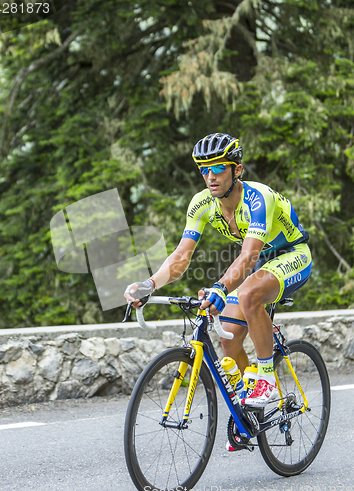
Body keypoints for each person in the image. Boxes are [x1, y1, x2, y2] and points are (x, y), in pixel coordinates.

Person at [124, 133, 311, 409]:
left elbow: (249, 256)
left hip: (292, 254)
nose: (210, 176)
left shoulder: (258, 199)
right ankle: (249, 411)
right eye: (204, 169)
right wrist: (149, 285)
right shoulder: (202, 203)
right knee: (230, 337)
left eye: (218, 168)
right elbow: (180, 256)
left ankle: (267, 380)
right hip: (259, 263)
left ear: (237, 170)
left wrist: (221, 288)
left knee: (248, 294)